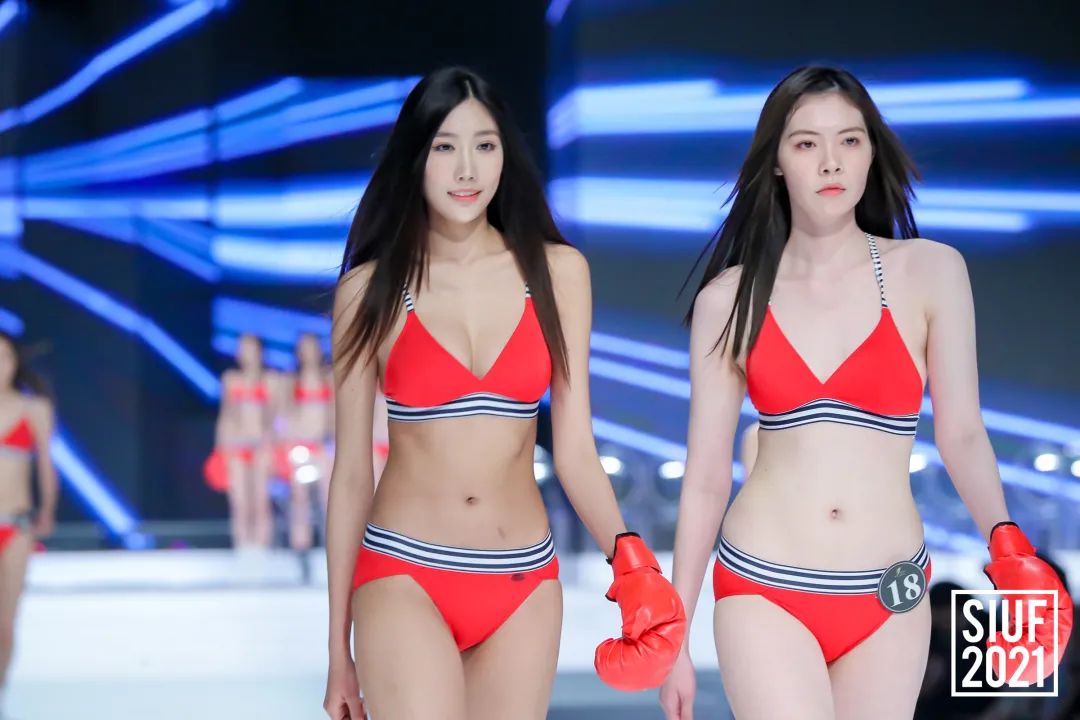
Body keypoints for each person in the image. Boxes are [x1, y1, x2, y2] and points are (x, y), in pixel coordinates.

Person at [659, 65, 1071, 719]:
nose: (831, 161)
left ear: (871, 152)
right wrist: (672, 634)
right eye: (806, 143)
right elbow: (707, 477)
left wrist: (1009, 547)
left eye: (849, 140)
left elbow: (962, 433)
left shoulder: (932, 272)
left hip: (889, 592)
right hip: (765, 586)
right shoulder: (729, 299)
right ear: (776, 163)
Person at [321, 67, 685, 720]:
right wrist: (336, 653)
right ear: (415, 157)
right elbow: (351, 474)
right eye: (444, 146)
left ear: (505, 156)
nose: (467, 168)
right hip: (405, 572)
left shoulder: (559, 273)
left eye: (484, 145)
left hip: (523, 583)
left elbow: (575, 449)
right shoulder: (368, 290)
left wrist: (631, 561)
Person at [0, 332, 57, 718]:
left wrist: (47, 509)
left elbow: (47, 466)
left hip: (16, 526)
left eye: (4, 356)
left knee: (5, 624)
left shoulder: (34, 408)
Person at [213, 334, 279, 549]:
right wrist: (219, 449)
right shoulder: (231, 379)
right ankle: (242, 548)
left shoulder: (272, 380)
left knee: (261, 501)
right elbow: (225, 414)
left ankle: (262, 548)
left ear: (260, 352)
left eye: (250, 349)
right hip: (236, 446)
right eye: (242, 349)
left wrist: (273, 444)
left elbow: (276, 416)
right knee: (239, 502)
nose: (246, 354)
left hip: (262, 446)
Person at [280, 333, 335, 552]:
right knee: (299, 499)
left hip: (324, 445)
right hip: (300, 447)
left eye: (313, 347)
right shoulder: (291, 380)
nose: (309, 352)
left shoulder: (329, 378)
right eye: (305, 348)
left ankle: (330, 548)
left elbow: (335, 411)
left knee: (328, 498)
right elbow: (285, 414)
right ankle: (300, 547)